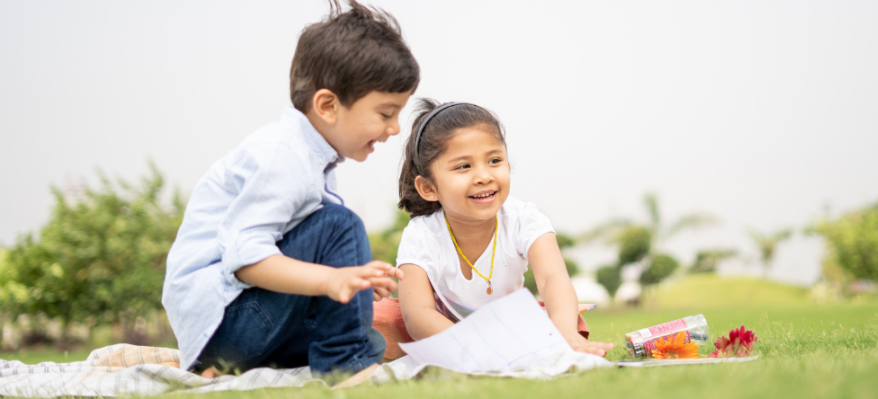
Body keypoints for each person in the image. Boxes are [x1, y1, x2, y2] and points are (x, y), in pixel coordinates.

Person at [162, 0, 418, 383]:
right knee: (338, 226)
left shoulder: (312, 160)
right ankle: (346, 367)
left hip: (236, 327)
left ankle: (229, 368)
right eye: (385, 113)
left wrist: (353, 283)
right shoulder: (284, 157)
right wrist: (331, 280)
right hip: (223, 319)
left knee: (367, 333)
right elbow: (245, 258)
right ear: (328, 105)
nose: (395, 128)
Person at [392, 99, 614, 357]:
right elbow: (418, 314)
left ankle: (556, 340)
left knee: (567, 315)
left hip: (510, 326)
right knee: (384, 318)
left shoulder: (523, 218)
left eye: (494, 160)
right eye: (463, 166)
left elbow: (553, 278)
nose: (484, 176)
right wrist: (476, 347)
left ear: (508, 165)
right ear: (428, 188)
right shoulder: (421, 234)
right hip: (447, 332)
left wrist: (564, 330)